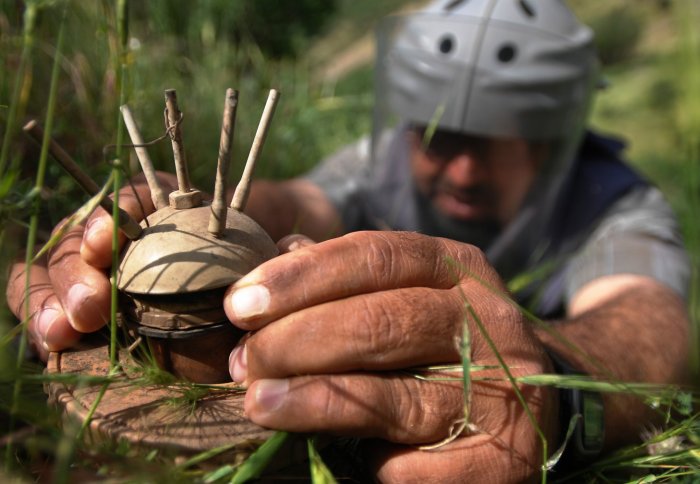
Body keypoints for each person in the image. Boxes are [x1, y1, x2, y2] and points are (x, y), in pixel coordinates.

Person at [6, 0, 691, 481]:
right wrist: (178, 221)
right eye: (439, 133)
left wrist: (547, 381)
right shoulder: (382, 158)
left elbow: (655, 329)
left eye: (499, 143)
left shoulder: (616, 199)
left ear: (552, 142)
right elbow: (295, 200)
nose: (460, 169)